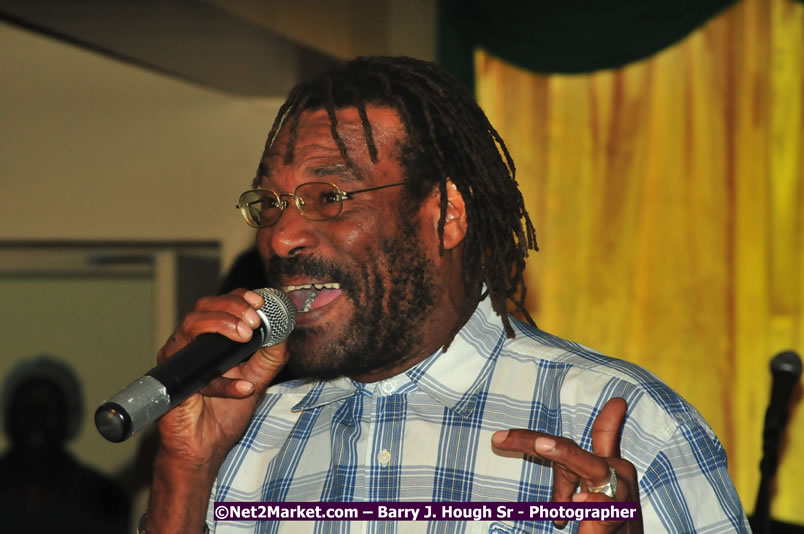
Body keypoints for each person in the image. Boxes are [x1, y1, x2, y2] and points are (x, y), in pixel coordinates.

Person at [143, 56, 750, 533]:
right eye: (272, 204)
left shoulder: (624, 425)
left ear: (446, 215)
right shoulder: (250, 435)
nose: (281, 237)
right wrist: (185, 470)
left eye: (328, 198)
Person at [0, 356, 131, 533]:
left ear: (69, 418)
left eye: (48, 409)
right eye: (26, 408)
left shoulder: (104, 499)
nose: (36, 419)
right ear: (9, 414)